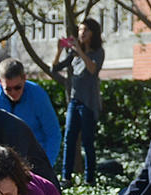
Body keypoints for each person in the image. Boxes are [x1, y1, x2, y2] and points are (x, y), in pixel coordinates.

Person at [53, 19, 104, 186]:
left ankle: (90, 180)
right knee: (69, 139)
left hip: (89, 103)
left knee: (88, 142)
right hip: (74, 101)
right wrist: (59, 51)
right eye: (80, 30)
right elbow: (55, 68)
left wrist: (79, 52)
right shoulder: (73, 54)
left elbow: (92, 69)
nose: (82, 33)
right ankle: (66, 178)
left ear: (93, 33)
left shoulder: (98, 52)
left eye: (86, 30)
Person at [0, 58, 61, 168]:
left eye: (18, 87)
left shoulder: (38, 96)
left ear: (24, 79)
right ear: (0, 82)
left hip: (34, 157)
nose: (13, 93)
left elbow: (53, 133)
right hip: (4, 157)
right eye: (8, 89)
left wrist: (46, 166)